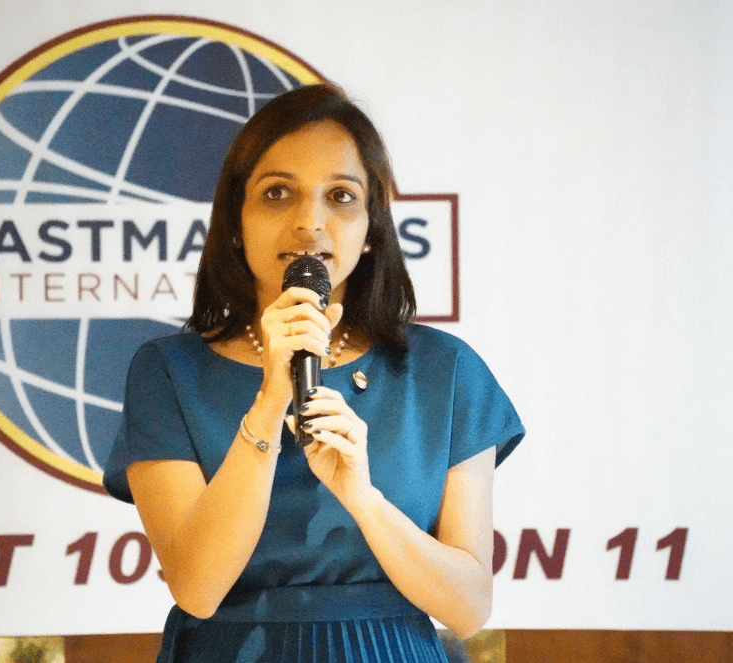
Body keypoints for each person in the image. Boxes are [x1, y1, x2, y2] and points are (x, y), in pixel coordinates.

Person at [103, 83, 523, 663]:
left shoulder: (445, 371)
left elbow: (469, 609)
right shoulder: (168, 372)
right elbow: (197, 588)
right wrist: (272, 396)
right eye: (278, 193)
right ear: (234, 221)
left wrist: (364, 499)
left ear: (373, 228)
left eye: (342, 197)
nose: (310, 222)